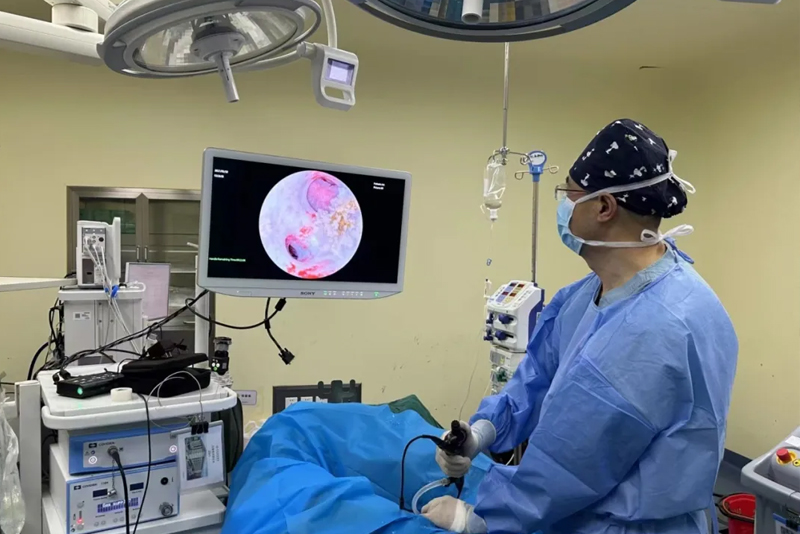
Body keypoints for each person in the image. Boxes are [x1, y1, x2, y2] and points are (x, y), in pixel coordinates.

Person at [422, 119, 738, 534]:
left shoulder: (652, 329)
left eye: (568, 193)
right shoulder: (588, 294)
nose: (563, 205)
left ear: (603, 207)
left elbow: (570, 465)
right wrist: (483, 432)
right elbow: (538, 377)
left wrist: (480, 520)